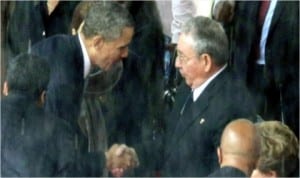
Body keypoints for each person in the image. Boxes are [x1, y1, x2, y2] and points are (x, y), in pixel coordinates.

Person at [30, 1, 136, 176]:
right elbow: (61, 164)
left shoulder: (60, 46)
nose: (125, 54)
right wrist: (106, 160)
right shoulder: (65, 83)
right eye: (121, 47)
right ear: (98, 42)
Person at [162, 16, 257, 177]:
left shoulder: (232, 106)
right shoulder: (187, 87)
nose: (177, 63)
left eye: (182, 57)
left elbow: (227, 173)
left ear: (206, 61)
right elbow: (171, 142)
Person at [213, 1, 299, 138]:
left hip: (284, 82)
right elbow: (223, 18)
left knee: (278, 140)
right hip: (247, 73)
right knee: (246, 134)